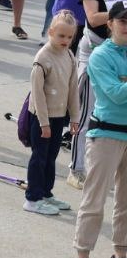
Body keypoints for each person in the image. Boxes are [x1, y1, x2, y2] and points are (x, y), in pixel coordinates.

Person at [69, 0, 127, 258]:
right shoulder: (100, 55)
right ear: (110, 24)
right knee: (95, 199)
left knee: (126, 200)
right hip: (106, 134)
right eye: (123, 21)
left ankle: (120, 257)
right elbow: (114, 94)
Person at [25, 12, 80, 216]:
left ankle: (45, 193)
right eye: (61, 36)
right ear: (51, 32)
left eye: (69, 37)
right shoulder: (42, 58)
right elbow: (37, 94)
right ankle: (32, 198)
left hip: (59, 116)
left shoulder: (69, 56)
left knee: (51, 157)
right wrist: (43, 123)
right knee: (39, 157)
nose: (65, 40)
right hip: (42, 118)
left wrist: (75, 117)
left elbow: (73, 89)